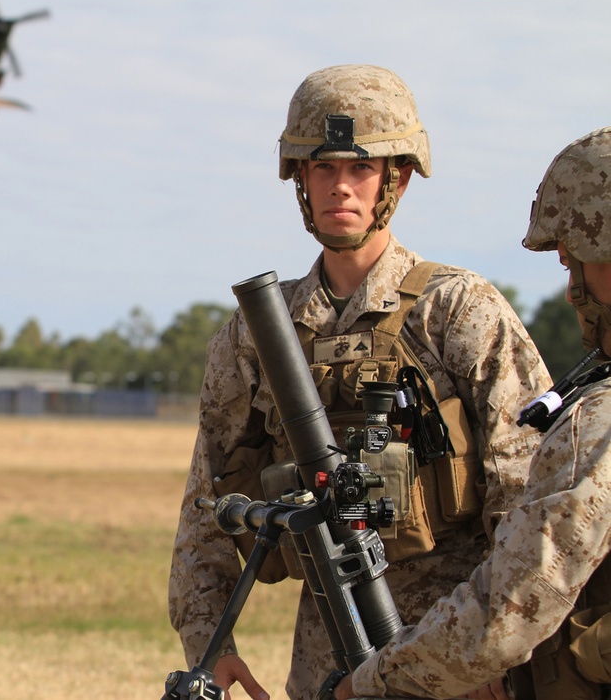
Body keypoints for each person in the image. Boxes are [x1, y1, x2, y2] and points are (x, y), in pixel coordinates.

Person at [167, 64, 552, 700]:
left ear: (394, 180)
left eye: (360, 168)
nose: (340, 187)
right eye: (323, 168)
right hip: (328, 655)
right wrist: (212, 642)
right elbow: (208, 496)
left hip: (454, 647)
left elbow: (528, 490)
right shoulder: (260, 330)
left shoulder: (457, 309)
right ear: (299, 179)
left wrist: (496, 649)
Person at [330, 126, 611, 700]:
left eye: (572, 262)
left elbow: (509, 607)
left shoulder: (598, 426)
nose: (571, 292)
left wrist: (368, 685)